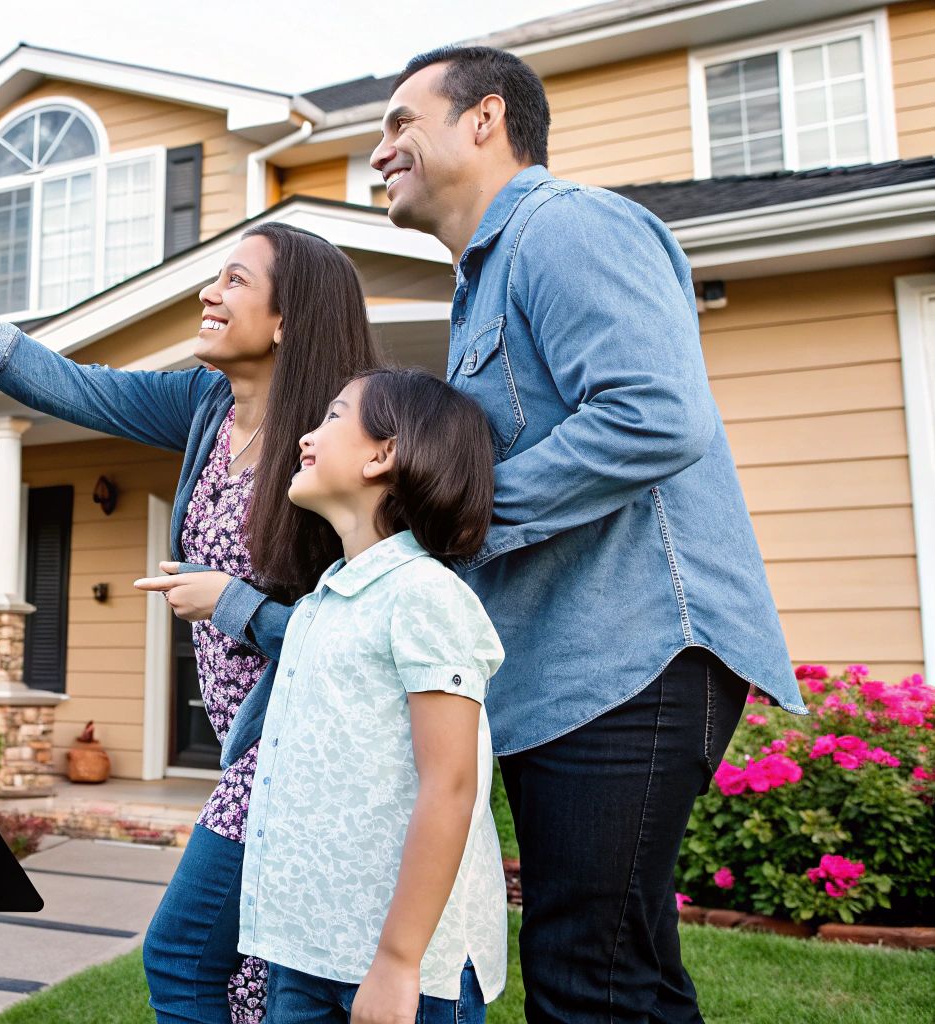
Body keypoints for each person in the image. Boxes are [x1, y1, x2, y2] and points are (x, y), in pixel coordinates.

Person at [0, 224, 382, 1023]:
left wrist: (232, 603)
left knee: (186, 956)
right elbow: (65, 384)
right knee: (258, 979)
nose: (207, 294)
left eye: (232, 281)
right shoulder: (204, 409)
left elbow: (370, 635)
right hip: (245, 750)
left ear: (288, 317)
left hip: (301, 748)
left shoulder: (339, 440)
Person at [369, 45, 807, 1022]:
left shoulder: (564, 228)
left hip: (631, 654)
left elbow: (650, 413)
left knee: (586, 979)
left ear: (483, 118)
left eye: (401, 121)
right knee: (620, 971)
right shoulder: (482, 283)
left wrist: (458, 528)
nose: (378, 149)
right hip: (571, 671)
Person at [239, 368, 506, 1023]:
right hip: (307, 952)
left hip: (404, 968)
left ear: (383, 454)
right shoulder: (322, 603)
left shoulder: (424, 596)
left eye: (333, 417)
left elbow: (450, 786)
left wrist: (396, 961)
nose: (304, 437)